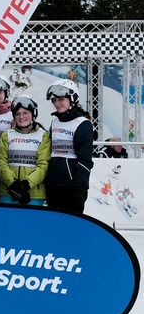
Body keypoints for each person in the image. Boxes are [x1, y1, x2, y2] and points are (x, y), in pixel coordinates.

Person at [45, 79, 94, 213]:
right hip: (54, 184)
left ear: (72, 99)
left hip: (72, 186)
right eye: (54, 100)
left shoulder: (82, 123)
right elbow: (51, 152)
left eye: (61, 99)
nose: (57, 103)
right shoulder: (54, 122)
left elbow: (85, 160)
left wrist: (80, 186)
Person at [0, 96, 50, 206]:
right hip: (8, 192)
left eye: (25, 113)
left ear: (33, 114)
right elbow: (0, 162)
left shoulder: (43, 136)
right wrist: (13, 184)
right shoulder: (7, 135)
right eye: (17, 114)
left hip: (34, 194)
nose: (21, 117)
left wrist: (26, 184)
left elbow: (43, 165)